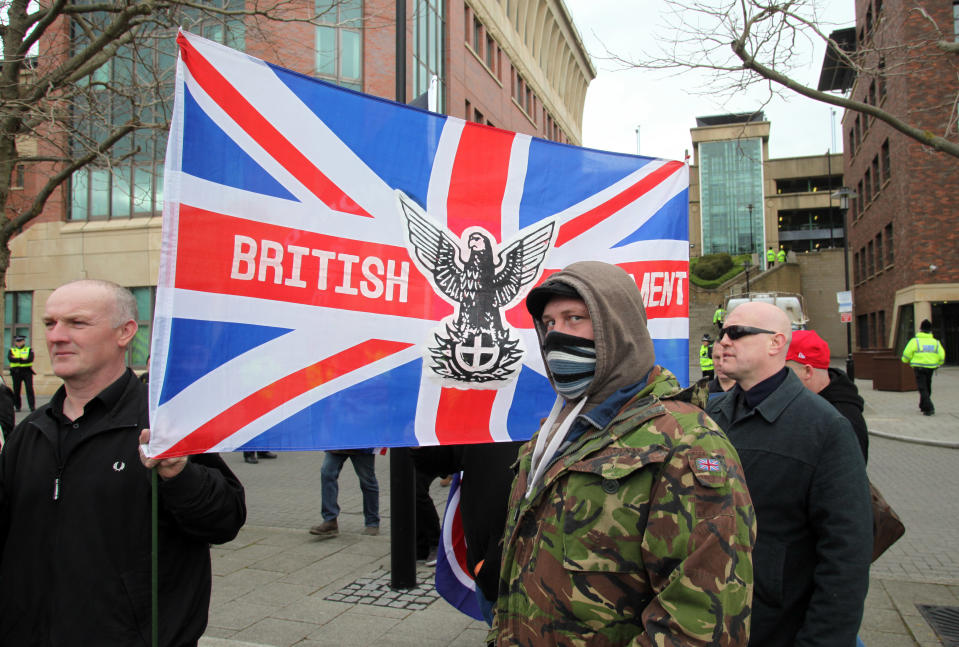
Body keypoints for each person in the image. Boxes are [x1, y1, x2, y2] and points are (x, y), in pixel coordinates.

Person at [494, 261, 755, 646]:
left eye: (574, 318)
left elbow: (701, 626)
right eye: (549, 323)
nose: (555, 336)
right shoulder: (554, 434)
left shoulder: (686, 442)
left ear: (616, 327)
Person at [0, 279, 246, 646]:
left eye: (77, 323)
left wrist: (180, 475)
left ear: (125, 332)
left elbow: (224, 519)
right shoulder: (30, 431)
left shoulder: (163, 425)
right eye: (50, 323)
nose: (57, 336)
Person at [707, 302, 872, 647]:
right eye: (723, 331)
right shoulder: (711, 415)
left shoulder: (825, 428)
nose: (723, 341)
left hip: (776, 627)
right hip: (707, 617)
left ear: (776, 342)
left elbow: (846, 554)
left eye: (737, 333)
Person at [412, 441, 523, 623]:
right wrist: (420, 443)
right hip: (490, 572)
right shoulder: (481, 415)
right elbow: (443, 461)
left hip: (551, 571)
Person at [786, 329, 868, 461]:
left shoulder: (842, 419)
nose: (778, 377)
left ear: (808, 371)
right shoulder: (804, 402)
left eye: (785, 371)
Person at [310, 448, 380, 538]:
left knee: (367, 481)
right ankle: (330, 521)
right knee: (327, 473)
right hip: (338, 444)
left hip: (361, 444)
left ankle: (372, 522)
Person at [901, 319, 945, 416]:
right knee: (927, 386)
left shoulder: (915, 341)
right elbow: (941, 355)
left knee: (922, 388)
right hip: (931, 368)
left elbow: (906, 353)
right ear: (930, 330)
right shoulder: (935, 342)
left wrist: (905, 360)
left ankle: (929, 408)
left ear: (920, 329)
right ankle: (923, 405)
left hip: (919, 367)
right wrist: (939, 363)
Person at [8, 334, 35, 412]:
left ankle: (32, 406)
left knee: (29, 389)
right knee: (16, 389)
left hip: (27, 371)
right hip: (16, 371)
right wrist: (22, 359)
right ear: (15, 342)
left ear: (24, 341)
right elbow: (10, 359)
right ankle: (17, 406)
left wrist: (17, 359)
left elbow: (30, 359)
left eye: (20, 341)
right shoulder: (12, 350)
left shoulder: (28, 349)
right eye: (17, 341)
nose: (19, 343)